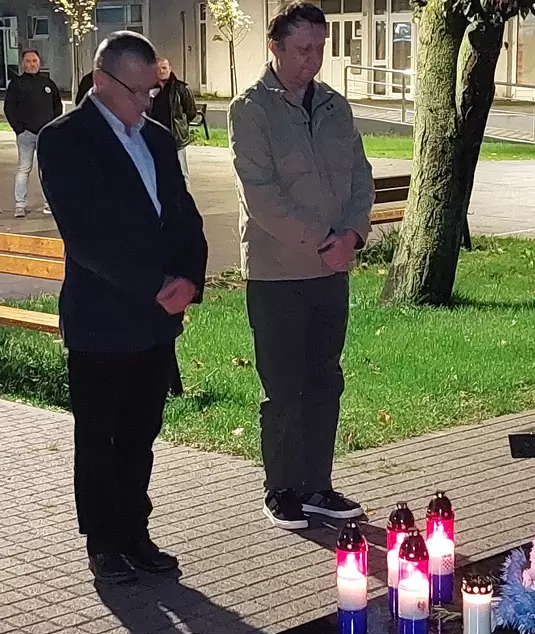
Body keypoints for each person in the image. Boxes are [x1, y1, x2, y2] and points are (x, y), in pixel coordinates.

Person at [37, 31, 208, 585]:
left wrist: (189, 279)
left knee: (141, 434)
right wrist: (155, 284)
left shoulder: (155, 137)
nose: (146, 101)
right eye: (137, 91)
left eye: (152, 90)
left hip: (156, 319)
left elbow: (182, 215)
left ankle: (136, 532)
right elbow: (88, 237)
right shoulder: (65, 140)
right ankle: (104, 543)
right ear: (102, 81)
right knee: (100, 438)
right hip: (102, 319)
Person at [229, 1, 374, 531]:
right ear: (275, 46)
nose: (311, 60)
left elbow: (361, 177)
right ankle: (282, 489)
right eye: (301, 49)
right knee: (283, 388)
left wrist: (352, 236)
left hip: (331, 272)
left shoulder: (335, 107)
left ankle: (317, 486)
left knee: (325, 381)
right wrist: (324, 240)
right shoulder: (250, 110)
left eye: (319, 49)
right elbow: (261, 196)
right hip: (278, 274)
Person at [5, 49, 61, 218]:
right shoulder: (16, 84)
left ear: (40, 62)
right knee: (24, 169)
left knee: (46, 171)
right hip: (26, 135)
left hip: (45, 135)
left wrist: (52, 126)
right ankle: (20, 205)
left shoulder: (48, 83)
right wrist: (19, 129)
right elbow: (9, 108)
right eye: (28, 61)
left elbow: (57, 106)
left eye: (34, 61)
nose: (31, 64)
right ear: (23, 63)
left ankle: (48, 204)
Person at [150, 57, 197, 188]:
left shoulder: (181, 88)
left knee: (181, 173)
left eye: (164, 68)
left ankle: (185, 198)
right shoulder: (148, 88)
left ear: (170, 69)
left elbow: (191, 112)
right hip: (155, 138)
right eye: (158, 68)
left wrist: (180, 126)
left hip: (176, 138)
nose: (162, 71)